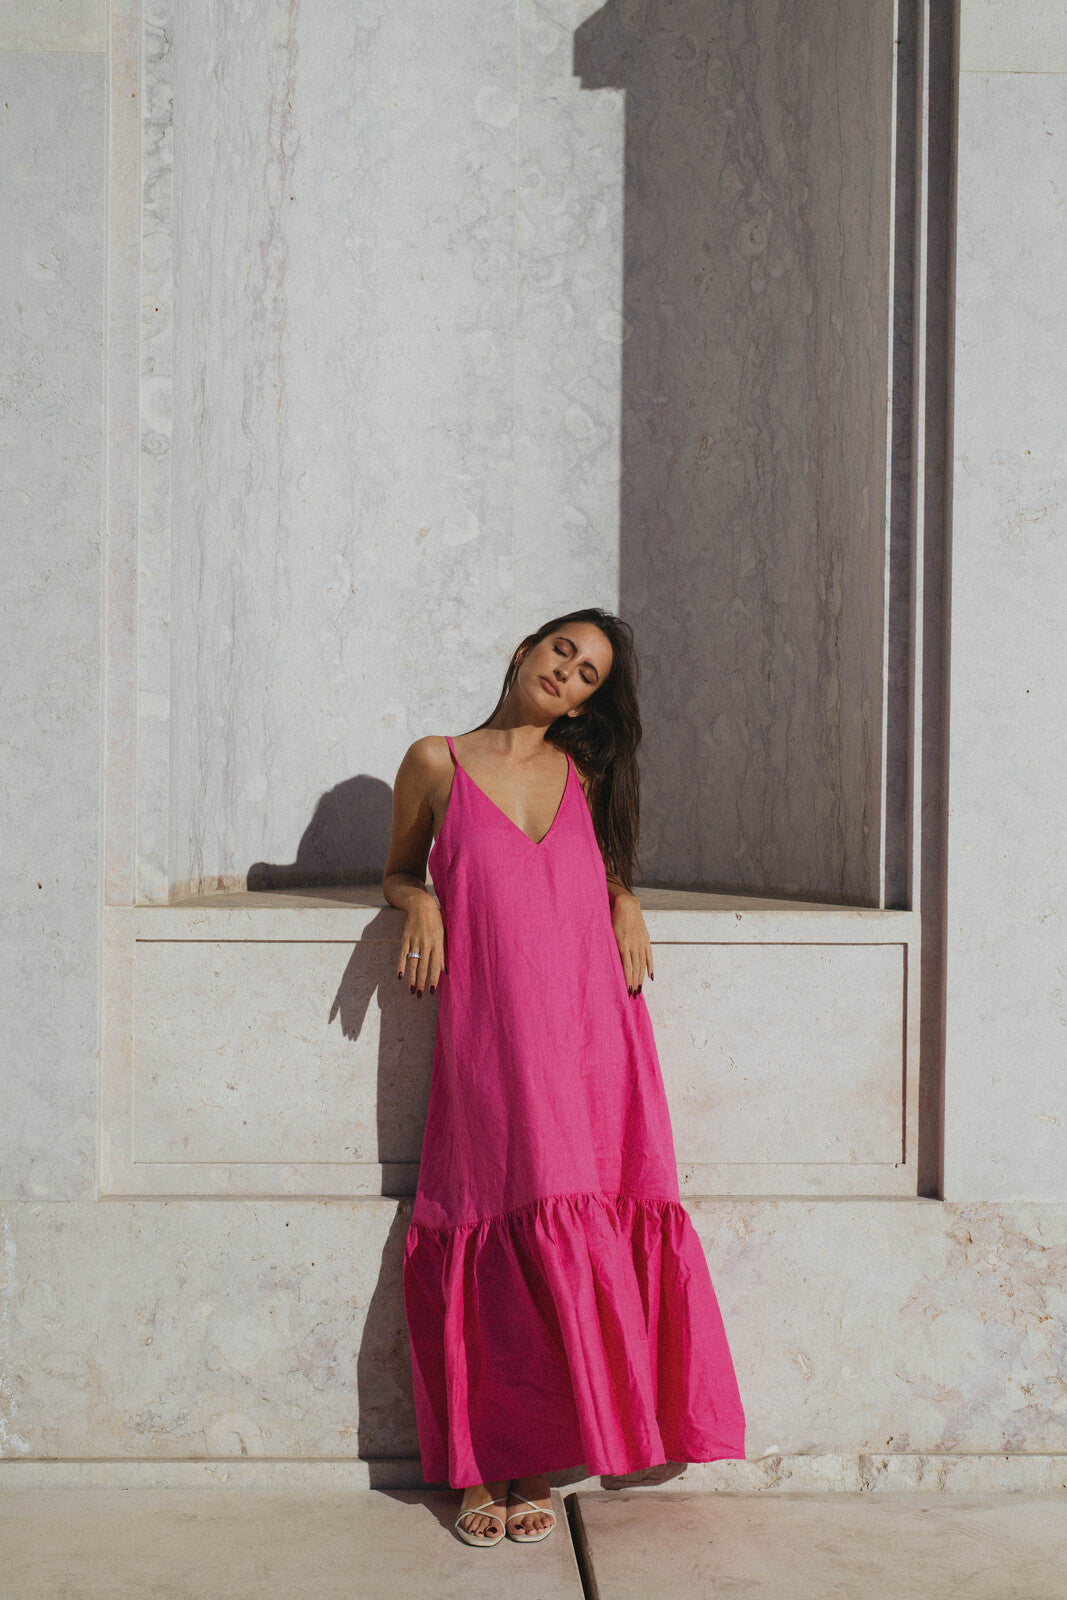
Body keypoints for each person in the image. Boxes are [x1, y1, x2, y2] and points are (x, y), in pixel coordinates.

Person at [382, 607, 746, 1547]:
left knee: (573, 1208)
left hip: (591, 1032)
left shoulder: (585, 772)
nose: (569, 675)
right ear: (524, 647)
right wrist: (417, 898)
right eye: (562, 652)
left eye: (589, 674)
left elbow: (599, 868)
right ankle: (480, 1465)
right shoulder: (437, 761)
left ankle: (535, 1459)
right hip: (493, 1033)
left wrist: (626, 897)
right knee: (497, 1217)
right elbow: (395, 869)